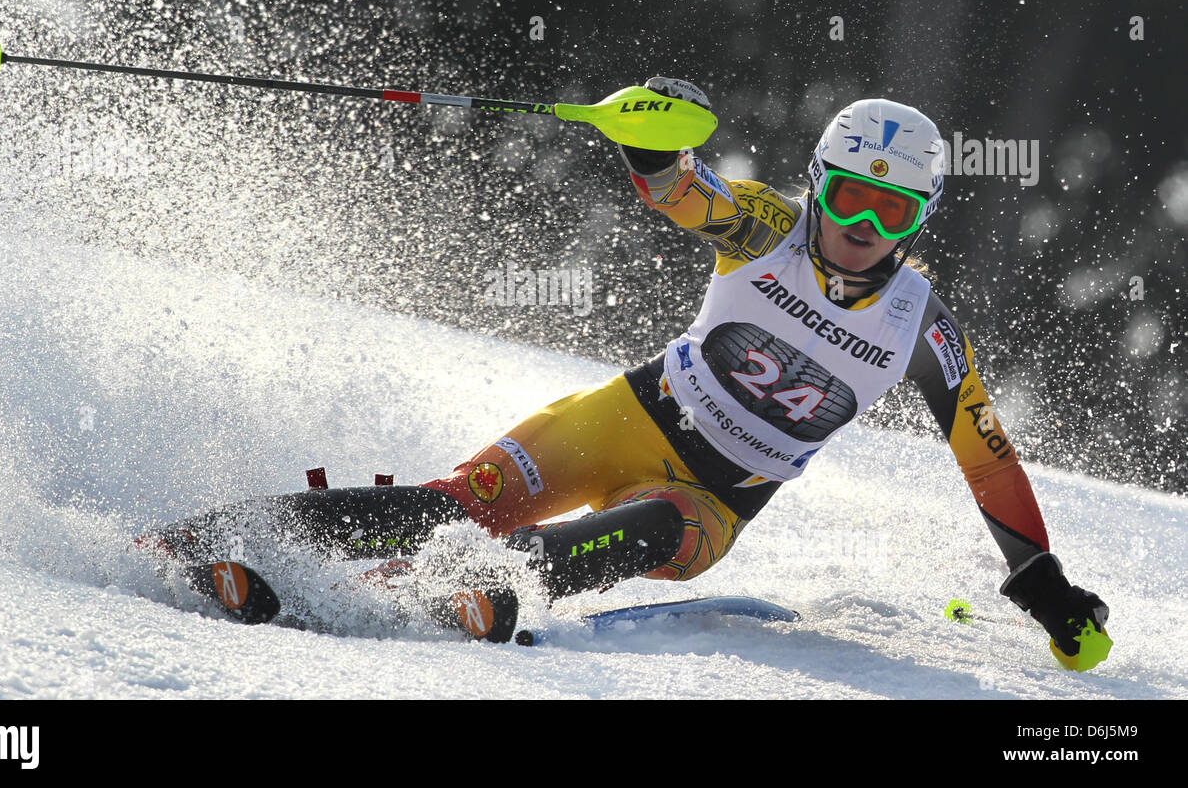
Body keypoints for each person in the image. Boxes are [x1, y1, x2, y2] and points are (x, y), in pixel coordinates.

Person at [147, 79, 1110, 669]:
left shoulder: (922, 327)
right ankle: (214, 535)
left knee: (647, 528)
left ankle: (458, 592)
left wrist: (1040, 578)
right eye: (850, 197)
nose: (861, 228)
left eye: (890, 213)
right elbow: (682, 194)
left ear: (918, 220)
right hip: (628, 416)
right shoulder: (767, 228)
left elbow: (987, 460)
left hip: (713, 500)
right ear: (818, 184)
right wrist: (653, 142)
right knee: (462, 501)